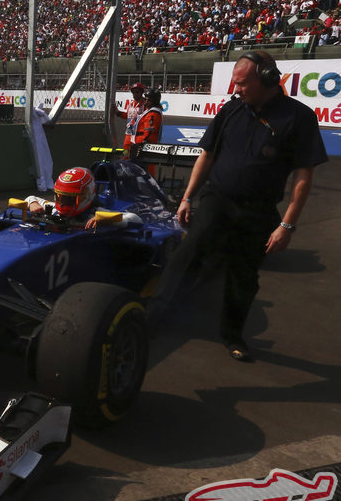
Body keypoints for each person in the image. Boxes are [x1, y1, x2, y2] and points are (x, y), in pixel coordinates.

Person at [150, 50, 328, 362]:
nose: (237, 89)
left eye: (243, 83)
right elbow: (207, 155)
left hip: (258, 211)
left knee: (243, 277)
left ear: (268, 79)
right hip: (217, 200)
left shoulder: (299, 118)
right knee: (187, 256)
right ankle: (151, 320)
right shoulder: (231, 110)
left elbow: (303, 175)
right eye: (234, 82)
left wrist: (286, 224)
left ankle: (232, 335)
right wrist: (188, 197)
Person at [24, 167, 141, 230]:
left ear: (86, 196)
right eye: (61, 197)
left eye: (69, 198)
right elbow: (30, 198)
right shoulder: (53, 208)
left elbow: (135, 219)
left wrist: (104, 218)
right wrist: (33, 203)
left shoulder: (96, 214)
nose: (63, 203)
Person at [126, 87, 164, 176]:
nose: (146, 102)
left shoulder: (153, 113)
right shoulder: (150, 111)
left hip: (145, 147)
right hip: (143, 145)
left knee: (146, 172)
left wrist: (142, 145)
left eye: (148, 100)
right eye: (146, 99)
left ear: (154, 101)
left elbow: (149, 132)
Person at [29, 103, 55, 193]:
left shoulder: (35, 112)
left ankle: (45, 183)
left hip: (38, 135)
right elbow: (46, 119)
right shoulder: (34, 113)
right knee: (42, 159)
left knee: (45, 159)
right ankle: (44, 183)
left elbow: (45, 118)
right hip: (36, 136)